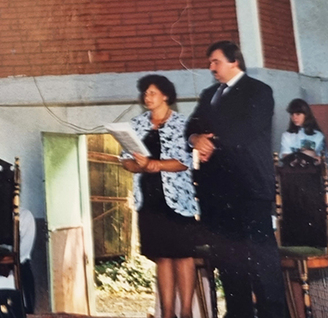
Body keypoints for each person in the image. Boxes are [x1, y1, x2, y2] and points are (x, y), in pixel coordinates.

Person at [186, 40, 284, 318]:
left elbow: (248, 130)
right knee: (229, 262)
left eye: (215, 61)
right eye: (209, 63)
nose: (211, 67)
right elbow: (192, 125)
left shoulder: (258, 91)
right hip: (217, 194)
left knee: (261, 262)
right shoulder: (209, 95)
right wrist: (196, 139)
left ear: (234, 62)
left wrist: (210, 142)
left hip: (250, 190)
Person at [120, 74, 199, 318]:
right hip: (149, 199)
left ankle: (185, 312)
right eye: (145, 93)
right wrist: (139, 166)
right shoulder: (136, 124)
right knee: (162, 256)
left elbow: (184, 163)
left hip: (177, 200)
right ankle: (167, 313)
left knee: (183, 256)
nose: (147, 97)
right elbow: (126, 161)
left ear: (166, 95)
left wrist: (154, 164)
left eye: (152, 92)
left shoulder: (182, 123)